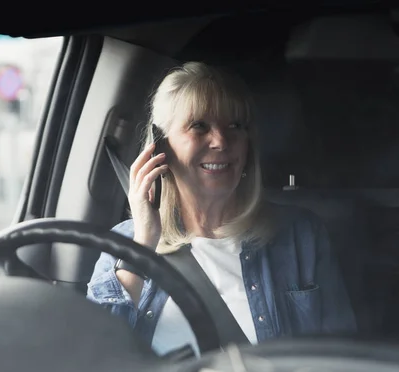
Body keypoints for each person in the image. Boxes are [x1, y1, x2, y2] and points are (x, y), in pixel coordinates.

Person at [86, 61, 356, 356]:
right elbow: (97, 359)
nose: (221, 141)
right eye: (199, 125)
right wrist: (144, 243)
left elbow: (340, 357)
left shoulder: (299, 235)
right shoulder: (126, 245)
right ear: (160, 148)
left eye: (235, 126)